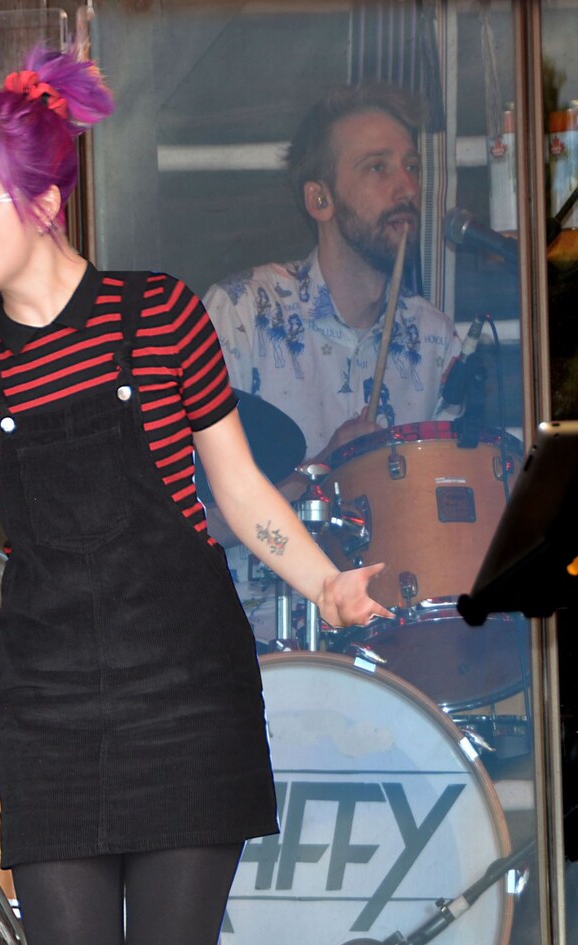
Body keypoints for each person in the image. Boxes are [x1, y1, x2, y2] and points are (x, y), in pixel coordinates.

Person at [0, 48, 393, 945]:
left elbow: (238, 487)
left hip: (187, 697)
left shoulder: (156, 314)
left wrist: (327, 584)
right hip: (52, 707)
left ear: (43, 204)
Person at [201, 84, 464, 638]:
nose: (406, 186)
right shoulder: (242, 315)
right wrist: (324, 468)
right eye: (377, 168)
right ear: (319, 200)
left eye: (410, 166)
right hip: (253, 652)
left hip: (394, 649)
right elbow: (193, 523)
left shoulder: (434, 339)